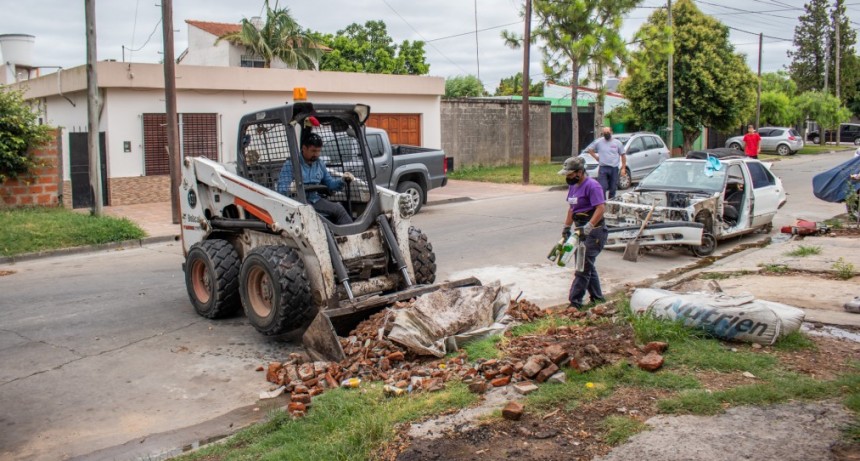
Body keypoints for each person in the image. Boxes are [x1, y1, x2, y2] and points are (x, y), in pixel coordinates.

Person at [559, 156, 608, 309]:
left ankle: (575, 303)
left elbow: (601, 208)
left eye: (570, 174)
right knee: (587, 266)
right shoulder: (573, 187)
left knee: (582, 267)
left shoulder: (592, 186)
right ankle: (598, 299)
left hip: (594, 232)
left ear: (580, 172)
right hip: (579, 230)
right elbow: (571, 208)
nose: (568, 177)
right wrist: (566, 227)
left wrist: (589, 225)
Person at [277, 132, 354, 225]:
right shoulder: (291, 164)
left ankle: (351, 236)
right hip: (298, 202)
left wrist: (343, 180)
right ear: (304, 148)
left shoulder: (319, 164)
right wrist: (291, 189)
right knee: (310, 213)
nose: (317, 154)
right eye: (313, 151)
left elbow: (330, 184)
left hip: (315, 199)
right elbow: (282, 189)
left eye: (318, 151)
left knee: (339, 209)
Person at [587, 127, 627, 199]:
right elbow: (590, 149)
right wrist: (596, 157)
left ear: (611, 132)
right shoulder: (598, 142)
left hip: (614, 168)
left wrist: (623, 168)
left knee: (613, 188)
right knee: (602, 187)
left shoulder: (617, 143)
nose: (606, 134)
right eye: (604, 133)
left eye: (607, 133)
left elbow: (623, 155)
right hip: (603, 168)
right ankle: (603, 203)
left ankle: (611, 202)